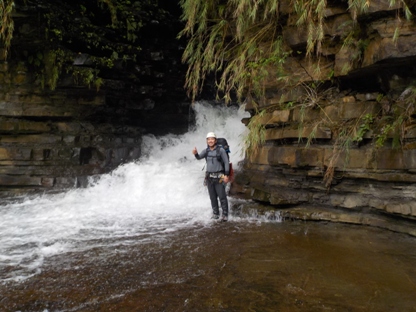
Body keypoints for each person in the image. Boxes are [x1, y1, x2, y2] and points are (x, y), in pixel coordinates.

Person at [193, 132, 230, 221]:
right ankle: (215, 213)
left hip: (219, 177)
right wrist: (196, 154)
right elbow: (199, 158)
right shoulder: (206, 151)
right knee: (212, 197)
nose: (210, 141)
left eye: (212, 139)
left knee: (222, 196)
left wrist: (226, 175)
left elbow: (226, 162)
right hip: (209, 177)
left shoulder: (220, 150)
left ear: (215, 140)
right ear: (207, 141)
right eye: (209, 139)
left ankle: (225, 214)